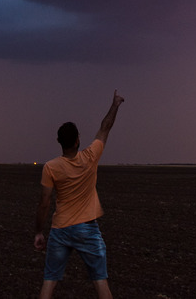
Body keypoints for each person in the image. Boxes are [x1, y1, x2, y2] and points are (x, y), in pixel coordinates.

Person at [35, 90, 125, 299]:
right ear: (77, 141)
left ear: (60, 142)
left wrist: (39, 232)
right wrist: (115, 104)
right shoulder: (90, 156)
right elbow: (105, 127)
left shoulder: (51, 167)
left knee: (49, 281)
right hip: (87, 229)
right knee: (100, 280)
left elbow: (44, 203)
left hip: (60, 229)